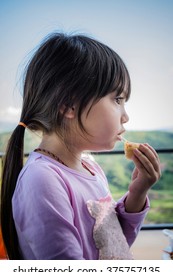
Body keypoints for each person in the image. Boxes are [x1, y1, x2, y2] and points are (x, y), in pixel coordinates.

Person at [1, 32, 161, 260]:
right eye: (117, 99)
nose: (125, 116)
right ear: (68, 105)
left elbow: (113, 248)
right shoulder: (42, 179)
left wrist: (137, 192)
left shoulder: (92, 168)